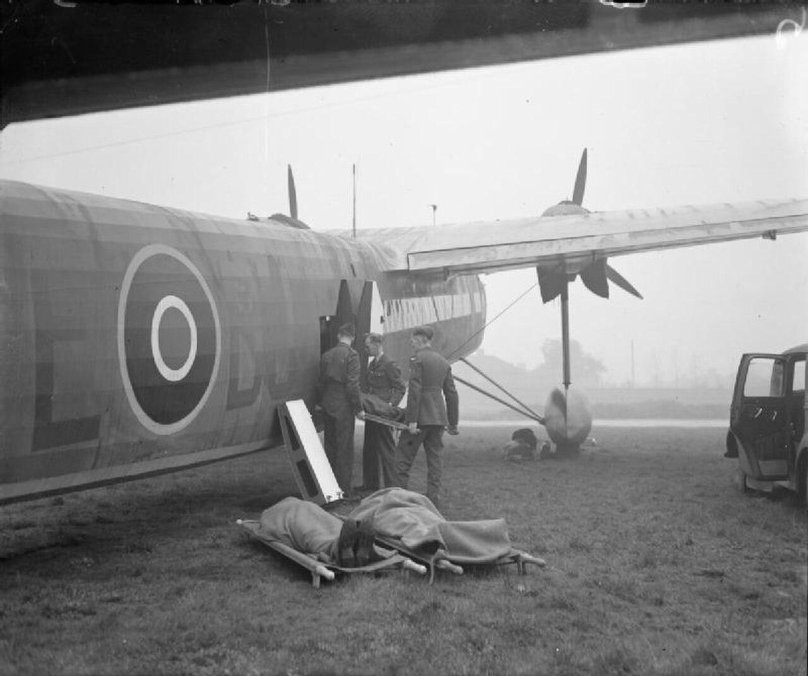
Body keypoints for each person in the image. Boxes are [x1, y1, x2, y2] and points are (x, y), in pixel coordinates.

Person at [394, 325, 459, 508]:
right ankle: (433, 499)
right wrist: (453, 423)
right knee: (435, 460)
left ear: (421, 339)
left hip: (420, 419)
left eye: (413, 339)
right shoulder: (443, 362)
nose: (411, 342)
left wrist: (412, 420)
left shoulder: (417, 359)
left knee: (402, 460)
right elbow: (452, 394)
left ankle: (398, 500)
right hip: (438, 418)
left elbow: (415, 391)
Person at [317, 323, 364, 496]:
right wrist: (358, 408)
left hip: (328, 401)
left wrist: (320, 402)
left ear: (338, 336)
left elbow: (320, 382)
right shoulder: (352, 355)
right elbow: (352, 385)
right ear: (353, 337)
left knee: (330, 445)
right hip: (343, 403)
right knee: (344, 447)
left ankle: (327, 487)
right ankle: (343, 488)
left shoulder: (327, 354)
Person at [359, 332, 406, 492]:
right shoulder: (372, 364)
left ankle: (392, 486)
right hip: (373, 412)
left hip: (383, 413)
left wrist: (391, 406)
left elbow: (400, 388)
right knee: (369, 448)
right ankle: (370, 485)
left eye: (367, 346)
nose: (366, 349)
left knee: (387, 449)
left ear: (376, 344)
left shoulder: (389, 363)